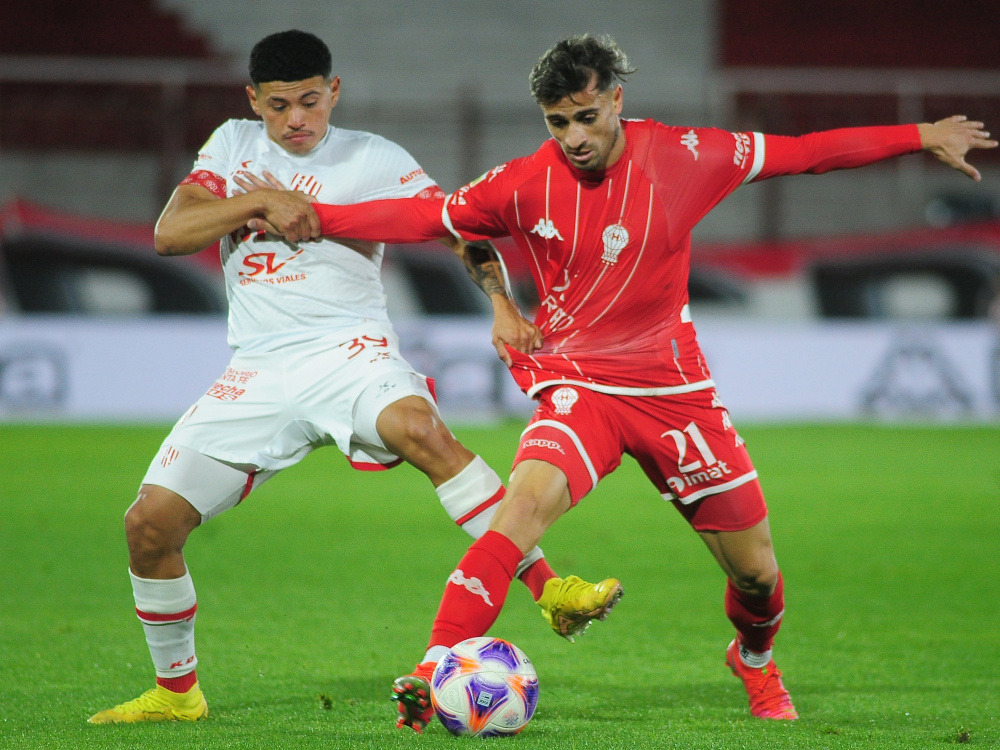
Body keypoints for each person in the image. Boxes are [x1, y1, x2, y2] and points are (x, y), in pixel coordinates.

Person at [254, 34, 997, 728]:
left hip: (676, 395)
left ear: (614, 99)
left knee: (758, 579)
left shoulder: (689, 153)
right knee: (518, 517)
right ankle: (430, 668)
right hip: (579, 385)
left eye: (584, 116)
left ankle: (755, 659)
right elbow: (423, 217)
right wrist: (314, 217)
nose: (573, 136)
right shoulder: (520, 184)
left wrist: (921, 134)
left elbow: (804, 153)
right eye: (556, 122)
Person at [86, 30, 625, 727]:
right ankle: (176, 693)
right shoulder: (231, 145)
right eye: (278, 106)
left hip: (352, 351)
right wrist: (259, 203)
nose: (295, 120)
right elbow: (170, 232)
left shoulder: (373, 158)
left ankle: (550, 589)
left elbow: (458, 226)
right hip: (258, 368)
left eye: (310, 102)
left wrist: (499, 302)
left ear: (333, 91)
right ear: (253, 101)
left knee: (418, 428)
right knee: (148, 526)